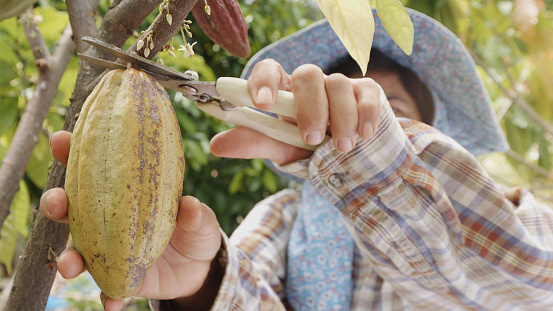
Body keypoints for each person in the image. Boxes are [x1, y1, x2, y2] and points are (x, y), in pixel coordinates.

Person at [40, 8, 553, 311]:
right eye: (342, 94)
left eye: (389, 111)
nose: (351, 110)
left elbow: (528, 289)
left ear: (428, 131)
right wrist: (199, 286)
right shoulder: (280, 221)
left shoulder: (518, 214)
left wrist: (378, 158)